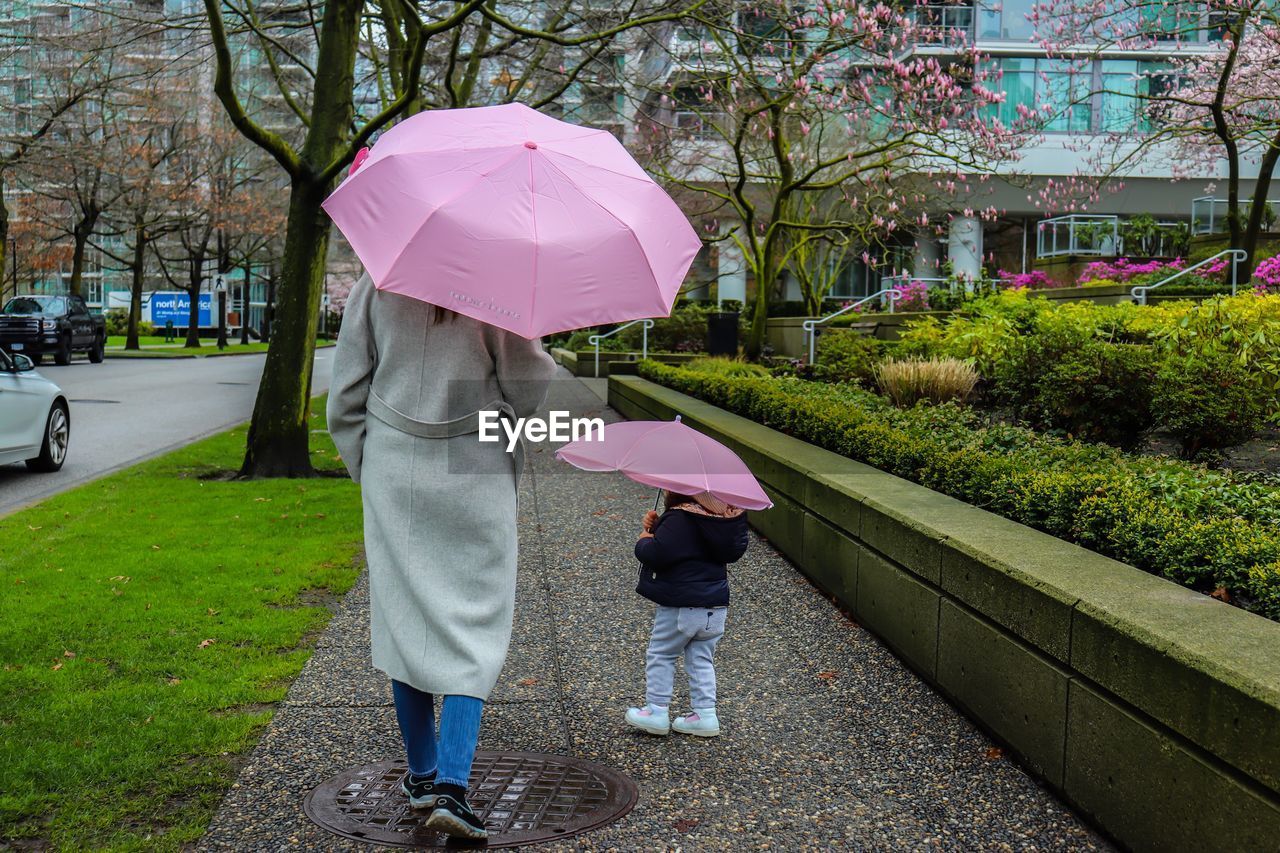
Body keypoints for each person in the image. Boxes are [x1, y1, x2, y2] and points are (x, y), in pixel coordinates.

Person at [328, 272, 557, 840]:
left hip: (393, 460)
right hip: (473, 457)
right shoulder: (497, 288)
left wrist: (371, 469)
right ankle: (453, 785)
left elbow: (346, 394)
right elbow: (528, 384)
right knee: (474, 618)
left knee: (405, 614)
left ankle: (423, 773)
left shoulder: (376, 285)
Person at [625, 489, 749, 738]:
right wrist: (658, 525)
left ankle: (656, 711)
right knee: (701, 659)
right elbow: (693, 544)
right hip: (715, 606)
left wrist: (645, 539)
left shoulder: (680, 517)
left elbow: (658, 553)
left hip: (682, 603)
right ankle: (705, 714)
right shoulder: (725, 520)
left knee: (661, 654)